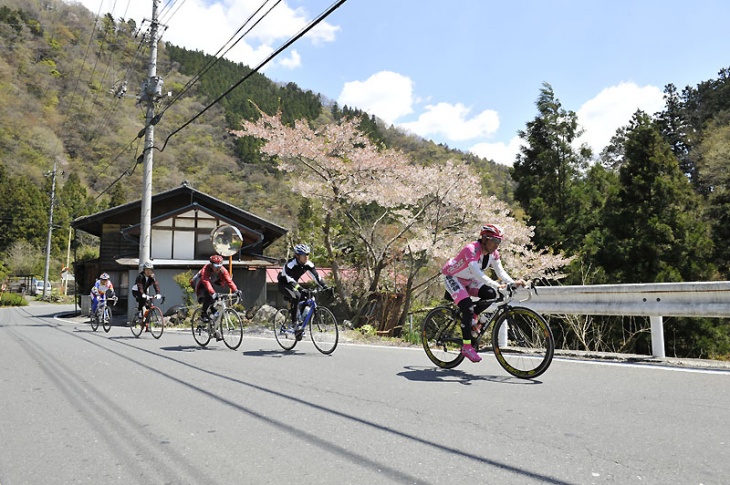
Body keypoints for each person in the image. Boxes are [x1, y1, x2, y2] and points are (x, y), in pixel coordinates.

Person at [441, 224, 526, 363]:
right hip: (454, 277)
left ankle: (474, 318)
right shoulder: (471, 249)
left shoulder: (493, 253)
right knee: (467, 308)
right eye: (494, 240)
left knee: (491, 294)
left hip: (469, 280)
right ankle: (467, 346)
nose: (497, 245)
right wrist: (498, 285)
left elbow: (501, 272)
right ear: (485, 238)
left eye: (499, 241)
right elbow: (477, 273)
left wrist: (513, 282)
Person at [277, 243, 329, 328]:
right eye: (304, 255)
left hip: (294, 284)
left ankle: (300, 319)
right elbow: (290, 280)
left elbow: (316, 277)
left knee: (307, 296)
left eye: (307, 254)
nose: (306, 257)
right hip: (284, 284)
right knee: (296, 296)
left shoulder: (308, 264)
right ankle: (294, 322)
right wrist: (300, 288)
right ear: (297, 256)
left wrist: (325, 287)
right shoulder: (290, 265)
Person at [192, 254, 242, 323]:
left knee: (214, 301)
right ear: (211, 265)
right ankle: (203, 314)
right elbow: (206, 282)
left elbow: (229, 281)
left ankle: (213, 325)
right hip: (200, 283)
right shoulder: (206, 269)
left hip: (210, 283)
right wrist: (213, 293)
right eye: (216, 266)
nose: (218, 268)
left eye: (220, 266)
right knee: (208, 295)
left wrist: (236, 290)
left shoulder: (223, 270)